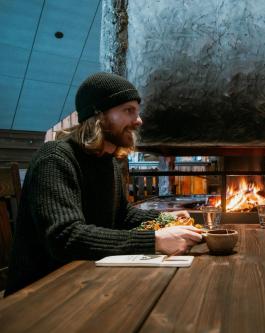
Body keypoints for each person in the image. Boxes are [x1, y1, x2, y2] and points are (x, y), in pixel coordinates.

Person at [5, 72, 202, 296]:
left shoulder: (107, 160)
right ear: (98, 115)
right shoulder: (55, 158)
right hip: (42, 291)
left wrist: (166, 220)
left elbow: (121, 215)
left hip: (88, 279)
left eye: (137, 111)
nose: (139, 120)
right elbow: (66, 237)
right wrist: (154, 240)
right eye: (128, 110)